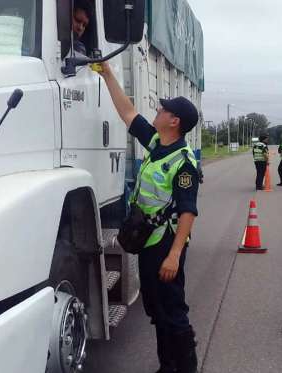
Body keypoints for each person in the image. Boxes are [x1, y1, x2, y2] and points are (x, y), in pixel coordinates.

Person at [98, 61, 199, 373]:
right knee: (155, 309)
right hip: (148, 242)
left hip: (165, 244)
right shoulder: (156, 143)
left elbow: (187, 211)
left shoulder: (183, 163)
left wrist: (174, 255)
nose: (158, 110)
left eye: (163, 109)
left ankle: (186, 368)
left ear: (174, 121)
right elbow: (127, 113)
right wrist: (108, 75)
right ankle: (167, 366)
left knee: (173, 311)